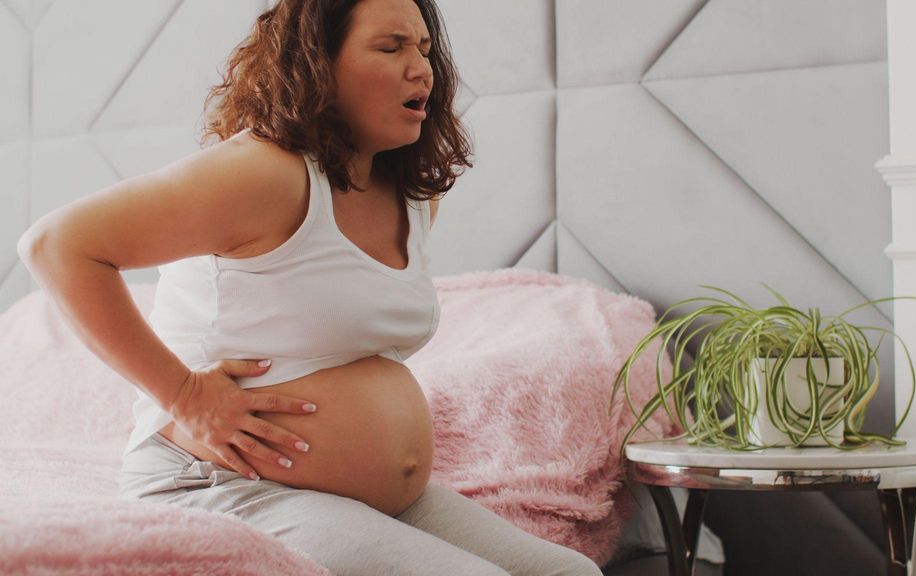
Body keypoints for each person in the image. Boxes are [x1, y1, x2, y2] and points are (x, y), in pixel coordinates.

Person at [16, 0, 603, 574]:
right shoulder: (263, 171)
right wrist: (186, 397)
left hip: (378, 498)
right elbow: (58, 246)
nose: (422, 67)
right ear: (318, 64)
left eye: (424, 48)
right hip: (225, 483)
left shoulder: (411, 194)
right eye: (390, 46)